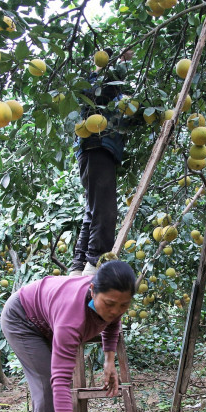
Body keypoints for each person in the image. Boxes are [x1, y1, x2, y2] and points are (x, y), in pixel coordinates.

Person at [0, 260, 136, 412]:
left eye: (124, 306)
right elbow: (61, 380)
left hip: (47, 320)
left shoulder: (112, 303)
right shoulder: (72, 318)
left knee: (49, 383)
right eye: (109, 304)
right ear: (92, 290)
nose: (115, 311)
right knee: (47, 384)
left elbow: (113, 321)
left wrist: (110, 360)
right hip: (22, 319)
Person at [70, 49, 135, 276]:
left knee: (94, 211)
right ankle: (94, 266)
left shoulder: (116, 98)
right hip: (96, 148)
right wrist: (119, 62)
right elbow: (96, 88)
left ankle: (79, 267)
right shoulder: (96, 87)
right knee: (105, 211)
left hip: (99, 152)